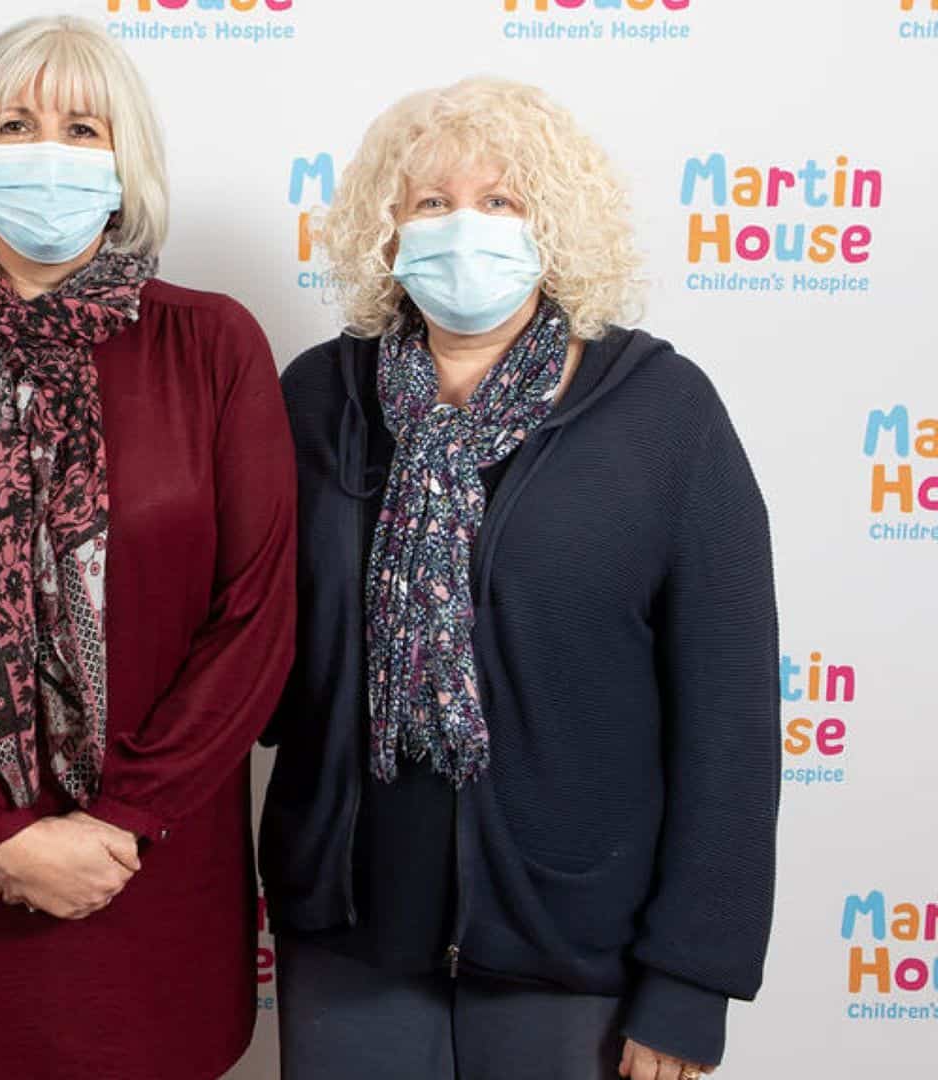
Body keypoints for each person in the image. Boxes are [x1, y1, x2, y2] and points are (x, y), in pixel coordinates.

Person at [259, 77, 778, 1080]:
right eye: (431, 202)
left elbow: (732, 720)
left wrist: (690, 979)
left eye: (502, 201)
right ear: (386, 229)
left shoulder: (663, 413)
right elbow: (252, 648)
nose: (465, 228)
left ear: (558, 223)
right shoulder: (320, 399)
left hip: (579, 952)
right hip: (350, 935)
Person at [0, 16, 296, 1079]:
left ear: (126, 167)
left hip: (148, 875)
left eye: (83, 126)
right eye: (17, 123)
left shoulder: (214, 346)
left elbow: (255, 620)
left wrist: (122, 823)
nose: (49, 149)